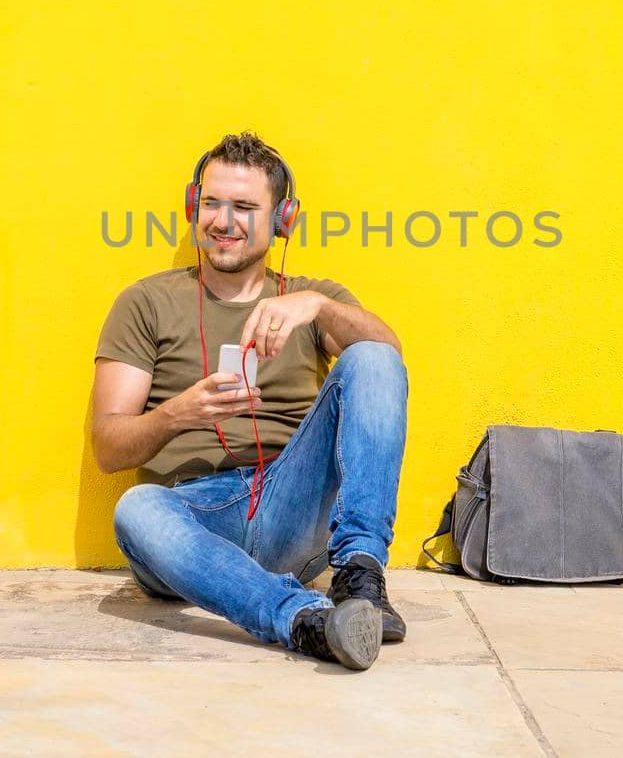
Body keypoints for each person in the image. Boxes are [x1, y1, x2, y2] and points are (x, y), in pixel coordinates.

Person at [91, 132, 409, 670]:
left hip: (292, 502)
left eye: (244, 207)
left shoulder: (311, 300)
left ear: (283, 218)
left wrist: (317, 307)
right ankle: (303, 620)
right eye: (212, 203)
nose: (223, 221)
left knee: (373, 355)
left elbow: (388, 361)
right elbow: (108, 447)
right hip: (192, 520)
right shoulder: (145, 302)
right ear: (194, 206)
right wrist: (176, 414)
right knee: (135, 509)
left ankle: (360, 580)